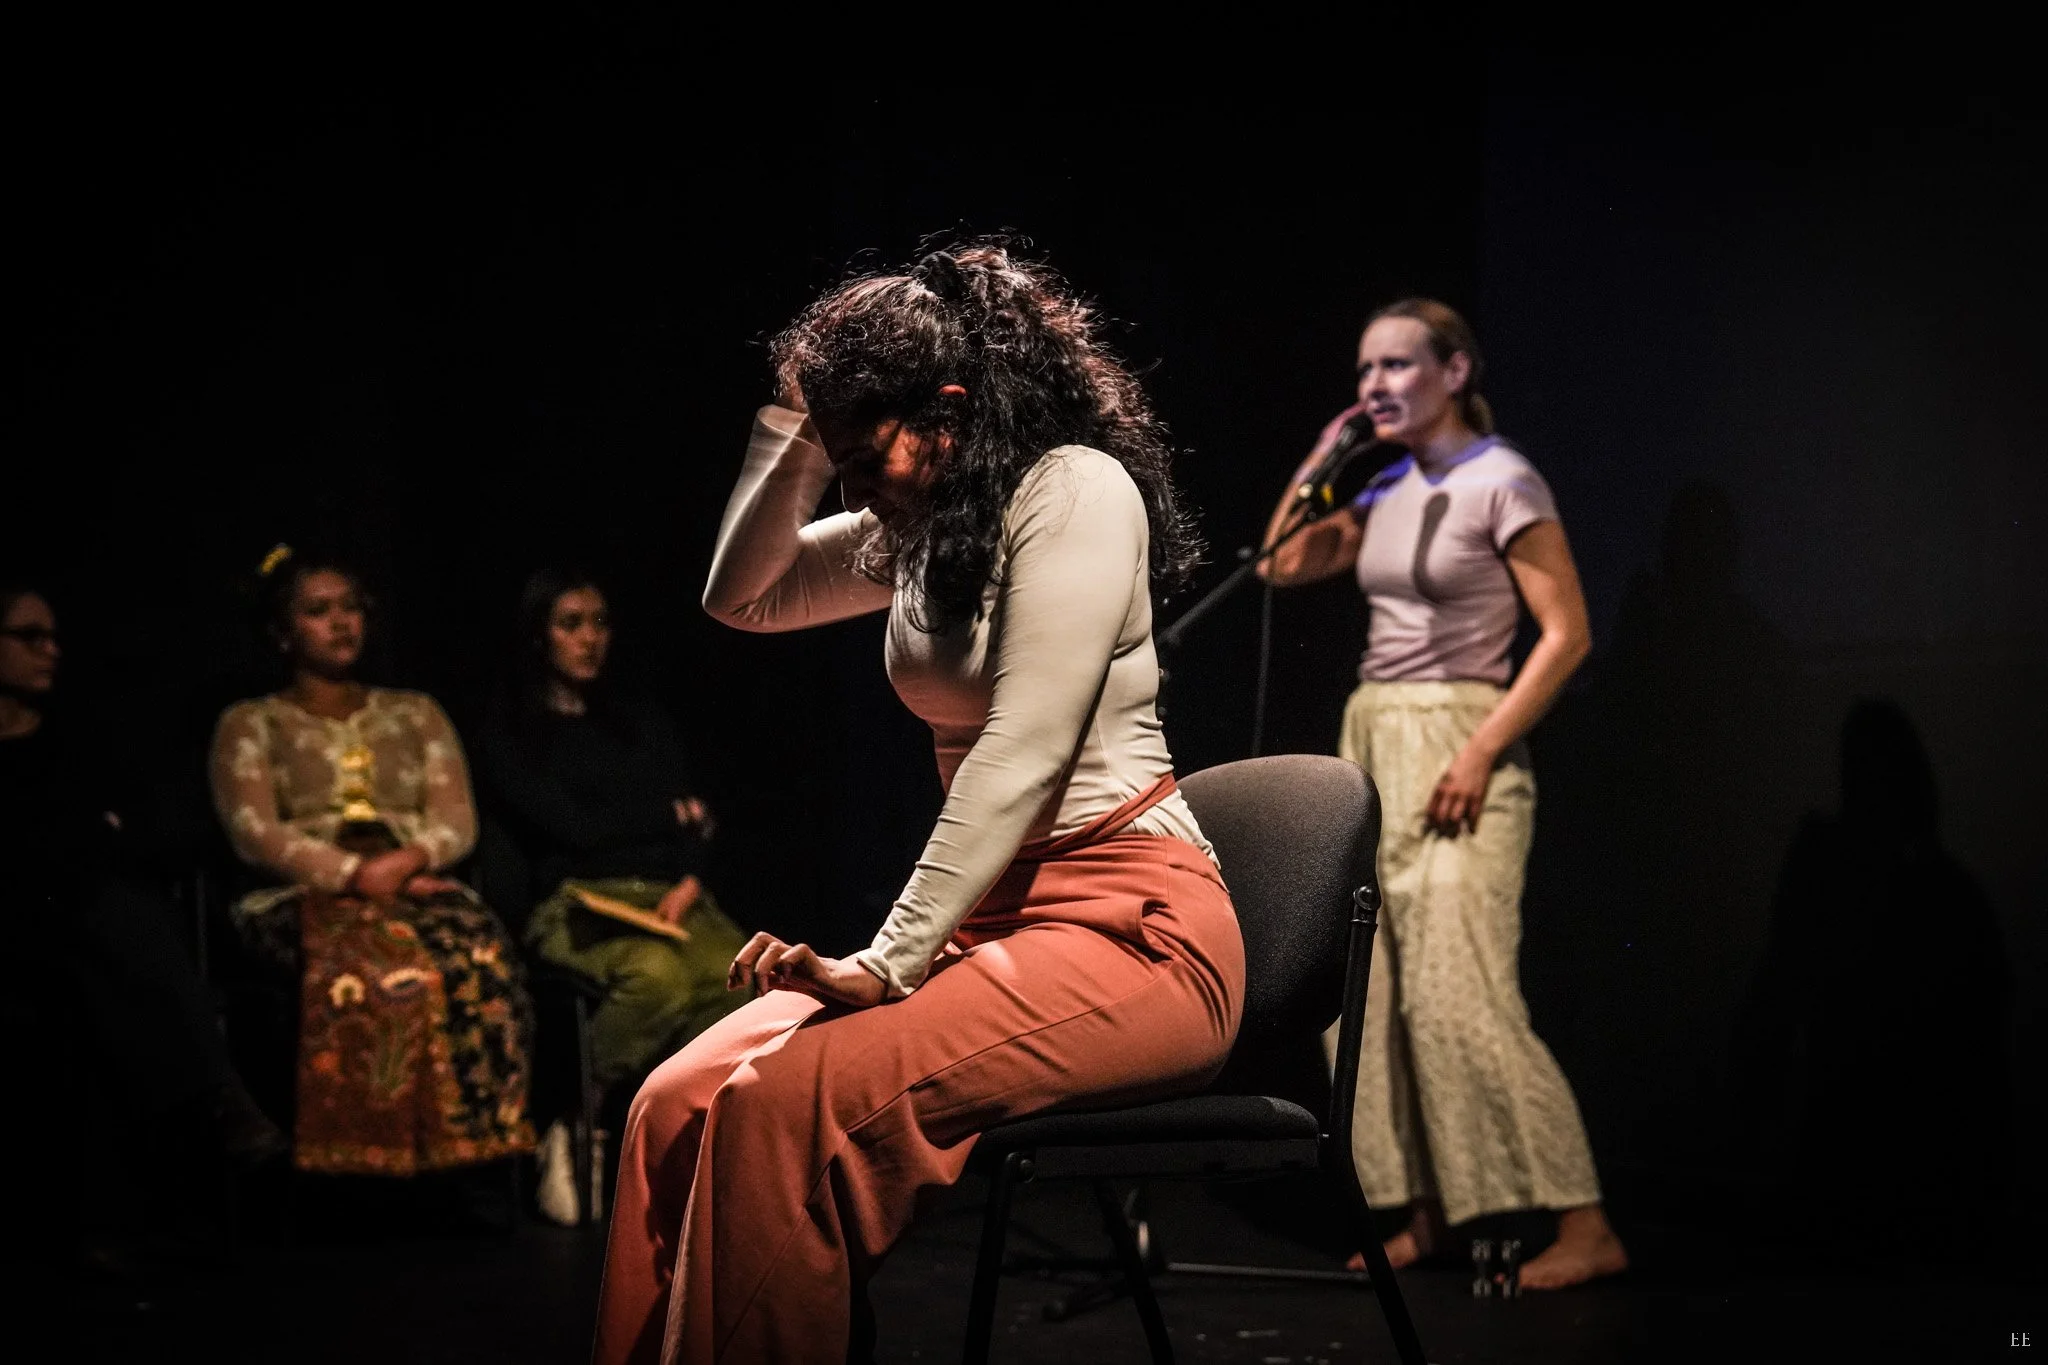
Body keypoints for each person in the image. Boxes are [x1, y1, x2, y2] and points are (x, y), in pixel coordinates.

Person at [594, 242, 1245, 1365]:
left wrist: (890, 959)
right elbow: (740, 598)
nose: (851, 490)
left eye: (866, 455)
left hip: (1131, 932)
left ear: (948, 409)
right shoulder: (923, 525)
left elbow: (1026, 747)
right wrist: (796, 430)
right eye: (836, 460)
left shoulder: (1073, 490)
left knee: (787, 1106)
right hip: (997, 925)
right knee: (676, 1101)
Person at [1258, 299, 1627, 1289]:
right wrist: (1326, 452)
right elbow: (1281, 562)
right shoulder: (1386, 487)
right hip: (1374, 736)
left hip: (1464, 735)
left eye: (1395, 365)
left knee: (1461, 990)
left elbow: (1568, 635)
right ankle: (1428, 1213)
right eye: (1363, 370)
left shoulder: (1503, 479)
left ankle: (1583, 1220)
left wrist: (1479, 750)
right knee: (1374, 996)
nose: (1373, 385)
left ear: (1454, 372)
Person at [207, 546, 534, 1175]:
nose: (340, 623)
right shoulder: (252, 723)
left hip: (415, 882)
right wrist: (352, 874)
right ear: (282, 630)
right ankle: (355, 1175)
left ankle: (468, 1166)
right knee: (364, 977)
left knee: (480, 957)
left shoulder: (415, 712)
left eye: (350, 607)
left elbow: (455, 819)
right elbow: (253, 830)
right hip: (302, 893)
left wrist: (402, 864)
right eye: (318, 611)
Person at [2, 581, 287, 1274]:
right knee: (106, 923)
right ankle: (217, 1095)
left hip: (72, 929)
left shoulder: (71, 745)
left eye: (54, 637)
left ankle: (120, 1215)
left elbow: (143, 837)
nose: (50, 651)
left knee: (106, 946)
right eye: (30, 637)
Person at [477, 567, 748, 1225]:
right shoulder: (513, 731)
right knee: (655, 978)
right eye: (571, 624)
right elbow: (572, 829)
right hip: (578, 901)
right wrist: (665, 815)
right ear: (539, 635)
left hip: (667, 893)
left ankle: (670, 1130)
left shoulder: (638, 722)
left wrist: (689, 877)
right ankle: (577, 1118)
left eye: (599, 623)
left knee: (739, 978)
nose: (589, 639)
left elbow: (700, 820)